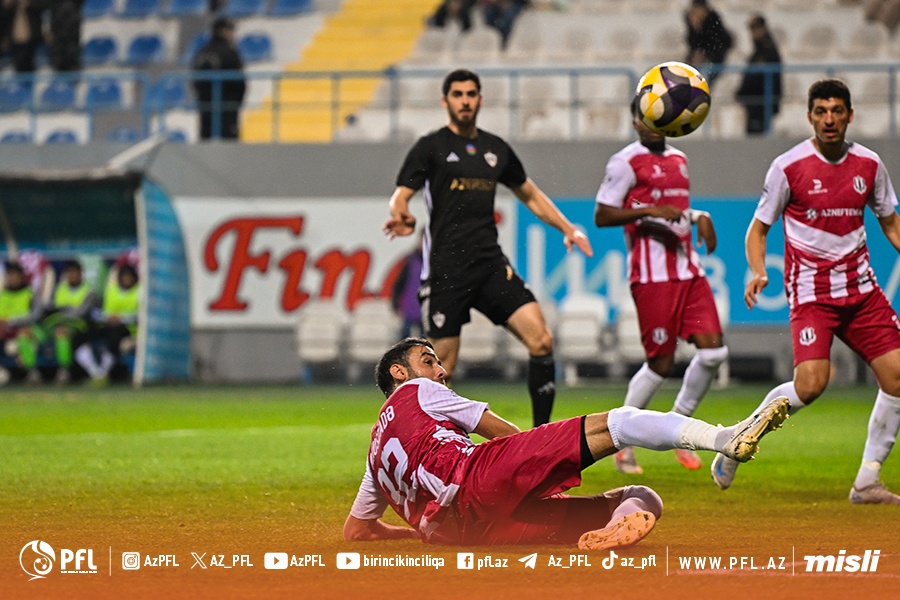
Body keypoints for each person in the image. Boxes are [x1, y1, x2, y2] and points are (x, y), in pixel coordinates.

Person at [344, 337, 789, 546]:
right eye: (429, 361)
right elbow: (501, 433)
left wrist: (407, 534)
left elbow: (357, 530)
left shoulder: (373, 451)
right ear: (399, 373)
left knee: (632, 497)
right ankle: (722, 438)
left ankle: (615, 525)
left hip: (464, 532)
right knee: (618, 422)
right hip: (482, 480)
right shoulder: (418, 392)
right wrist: (540, 472)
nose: (441, 371)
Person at [712, 78, 900, 505]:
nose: (829, 119)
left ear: (850, 115)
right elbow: (758, 228)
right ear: (810, 116)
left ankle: (867, 481)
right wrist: (757, 271)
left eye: (837, 110)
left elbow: (889, 218)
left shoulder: (870, 165)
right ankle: (739, 437)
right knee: (810, 386)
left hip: (862, 292)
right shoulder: (788, 166)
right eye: (821, 111)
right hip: (812, 294)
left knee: (897, 377)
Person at [383, 68, 593, 428]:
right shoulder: (430, 148)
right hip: (447, 269)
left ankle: (541, 437)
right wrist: (399, 213)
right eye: (457, 94)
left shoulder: (495, 149)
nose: (464, 100)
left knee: (541, 340)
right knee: (438, 369)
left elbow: (529, 193)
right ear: (445, 101)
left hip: (490, 264)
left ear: (480, 99)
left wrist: (567, 227)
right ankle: (430, 444)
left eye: (470, 94)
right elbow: (401, 194)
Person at [594, 96, 727, 475]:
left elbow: (676, 210)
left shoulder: (679, 159)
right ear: (635, 121)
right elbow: (602, 214)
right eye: (644, 117)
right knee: (660, 363)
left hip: (690, 270)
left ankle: (679, 426)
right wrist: (648, 211)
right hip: (652, 277)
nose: (652, 123)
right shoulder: (625, 161)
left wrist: (700, 215)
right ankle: (622, 444)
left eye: (659, 117)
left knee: (714, 354)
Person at [75, 263, 139, 385]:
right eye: (123, 277)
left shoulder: (139, 292)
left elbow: (141, 314)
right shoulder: (111, 290)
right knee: (87, 338)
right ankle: (97, 373)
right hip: (108, 326)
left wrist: (122, 318)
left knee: (112, 341)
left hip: (129, 329)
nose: (126, 280)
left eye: (129, 277)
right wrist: (107, 317)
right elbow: (101, 311)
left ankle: (101, 374)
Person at [40, 259, 97, 384]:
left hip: (78, 326)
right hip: (55, 323)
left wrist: (63, 308)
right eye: (69, 272)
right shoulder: (59, 288)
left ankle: (64, 370)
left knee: (61, 333)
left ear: (81, 274)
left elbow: (81, 312)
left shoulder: (89, 291)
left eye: (75, 272)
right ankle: (33, 372)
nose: (72, 275)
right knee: (30, 333)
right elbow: (50, 307)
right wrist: (67, 308)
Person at [192, 16, 246, 140]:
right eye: (230, 30)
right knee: (229, 151)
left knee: (206, 147)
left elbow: (195, 81)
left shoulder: (202, 52)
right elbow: (239, 82)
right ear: (224, 31)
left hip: (206, 109)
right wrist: (236, 102)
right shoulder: (230, 52)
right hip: (227, 109)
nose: (232, 34)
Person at [735, 14, 782, 136]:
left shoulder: (768, 51)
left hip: (760, 105)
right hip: (754, 104)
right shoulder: (760, 50)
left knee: (757, 138)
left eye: (756, 29)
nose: (753, 33)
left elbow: (759, 78)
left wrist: (743, 92)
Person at [0, 261, 44, 383]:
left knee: (23, 335)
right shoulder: (3, 295)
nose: (12, 278)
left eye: (15, 275)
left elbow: (36, 314)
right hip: (6, 333)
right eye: (10, 275)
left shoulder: (29, 293)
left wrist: (11, 320)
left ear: (22, 277)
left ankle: (33, 373)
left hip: (30, 330)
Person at [684, 0, 732, 88]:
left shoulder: (713, 19)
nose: (696, 13)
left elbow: (716, 42)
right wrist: (696, 28)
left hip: (717, 55)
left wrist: (704, 54)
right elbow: (693, 43)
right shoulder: (690, 18)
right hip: (700, 56)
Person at [391, 236, 424, 339]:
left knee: (425, 340)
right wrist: (395, 304)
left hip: (426, 308)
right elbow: (399, 284)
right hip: (409, 306)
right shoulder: (410, 261)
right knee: (404, 337)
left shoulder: (434, 262)